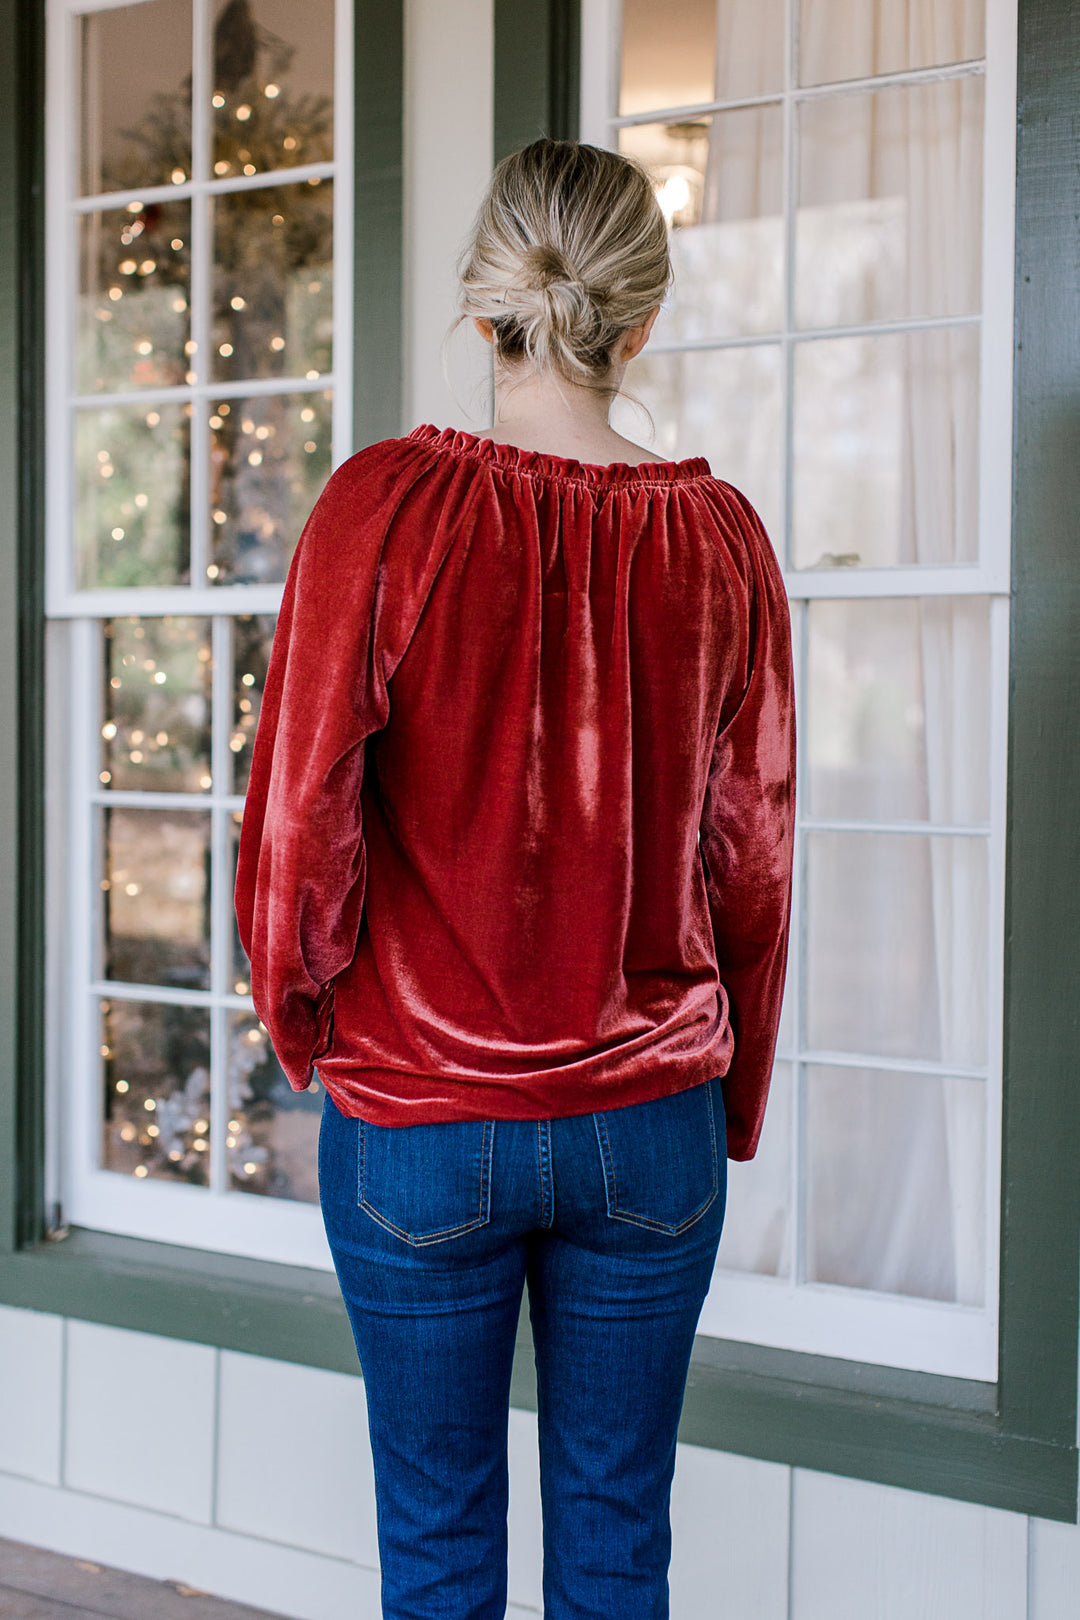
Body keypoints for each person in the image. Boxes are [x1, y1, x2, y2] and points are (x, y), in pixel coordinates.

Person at [235, 137, 796, 1620]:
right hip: (650, 1126)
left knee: (436, 1546)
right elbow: (753, 850)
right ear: (644, 318)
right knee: (619, 1541)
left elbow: (299, 826)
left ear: (482, 306)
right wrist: (725, 1097)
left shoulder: (381, 512)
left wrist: (307, 1026)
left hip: (423, 1115)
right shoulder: (723, 540)